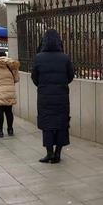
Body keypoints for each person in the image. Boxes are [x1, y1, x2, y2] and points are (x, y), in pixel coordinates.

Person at [31, 29, 74, 164]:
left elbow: (34, 77)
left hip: (45, 97)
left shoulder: (39, 57)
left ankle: (49, 153)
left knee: (48, 124)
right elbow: (70, 76)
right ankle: (57, 154)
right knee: (61, 124)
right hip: (61, 97)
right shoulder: (65, 58)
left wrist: (43, 85)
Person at [0, 50, 20, 138]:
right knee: (9, 111)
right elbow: (16, 79)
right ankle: (10, 129)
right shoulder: (13, 65)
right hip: (10, 91)